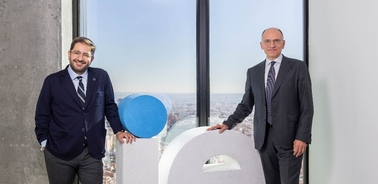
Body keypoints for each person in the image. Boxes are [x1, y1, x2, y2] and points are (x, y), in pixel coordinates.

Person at [207, 28, 313, 184]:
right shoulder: (253, 72)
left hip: (291, 138)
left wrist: (302, 137)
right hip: (264, 139)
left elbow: (307, 106)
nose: (272, 45)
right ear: (261, 45)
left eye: (276, 41)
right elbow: (246, 105)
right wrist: (227, 123)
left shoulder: (298, 67)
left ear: (283, 44)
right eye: (267, 41)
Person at [34, 37, 136, 184]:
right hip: (59, 152)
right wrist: (44, 142)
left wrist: (118, 130)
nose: (80, 58)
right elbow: (42, 114)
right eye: (77, 53)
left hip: (92, 152)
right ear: (69, 54)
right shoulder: (52, 81)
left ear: (91, 59)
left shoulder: (101, 77)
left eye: (85, 55)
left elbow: (109, 106)